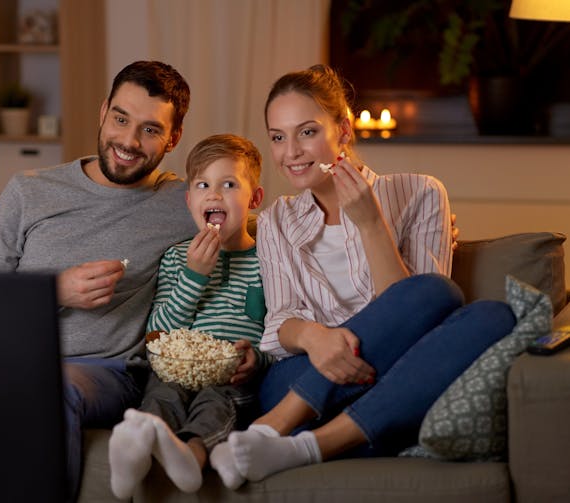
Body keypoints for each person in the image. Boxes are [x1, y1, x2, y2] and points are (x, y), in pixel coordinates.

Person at [209, 64, 517, 489]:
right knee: (434, 306)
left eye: (307, 131)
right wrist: (318, 339)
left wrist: (371, 224)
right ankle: (283, 423)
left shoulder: (421, 193)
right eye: (278, 136)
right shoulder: (278, 219)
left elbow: (422, 313)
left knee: (491, 314)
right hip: (299, 378)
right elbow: (279, 323)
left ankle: (296, 444)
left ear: (344, 130)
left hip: (391, 378)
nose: (291, 152)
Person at [0, 61, 199, 501]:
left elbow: (261, 226)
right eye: (121, 119)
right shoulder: (29, 191)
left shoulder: (184, 202)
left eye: (150, 130)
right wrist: (54, 292)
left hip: (103, 373)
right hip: (10, 360)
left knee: (50, 390)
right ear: (103, 112)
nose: (128, 142)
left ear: (174, 138)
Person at [108, 134, 271, 499]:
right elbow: (158, 334)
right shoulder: (176, 258)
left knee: (217, 402)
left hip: (231, 376)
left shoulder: (269, 262)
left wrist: (256, 359)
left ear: (255, 199)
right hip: (177, 368)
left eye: (229, 184)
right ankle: (135, 451)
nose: (214, 194)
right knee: (161, 395)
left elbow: (276, 334)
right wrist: (194, 276)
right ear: (189, 200)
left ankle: (191, 456)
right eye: (203, 185)